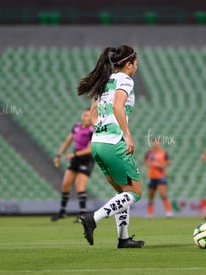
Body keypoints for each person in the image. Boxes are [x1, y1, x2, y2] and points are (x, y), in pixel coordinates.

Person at [77, 45, 144, 248]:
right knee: (134, 193)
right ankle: (93, 218)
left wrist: (102, 128)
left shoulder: (106, 81)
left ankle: (123, 239)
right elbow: (117, 106)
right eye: (136, 62)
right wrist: (128, 135)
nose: (137, 66)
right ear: (129, 64)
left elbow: (92, 114)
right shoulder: (125, 80)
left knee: (122, 192)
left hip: (98, 143)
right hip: (114, 143)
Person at [51, 108, 94, 222]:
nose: (86, 118)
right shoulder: (77, 127)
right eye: (84, 115)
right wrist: (59, 155)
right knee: (65, 184)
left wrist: (74, 154)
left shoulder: (92, 130)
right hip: (76, 158)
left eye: (88, 116)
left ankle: (83, 215)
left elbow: (90, 149)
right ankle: (63, 211)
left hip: (86, 159)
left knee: (80, 186)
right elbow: (67, 141)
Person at [143, 139, 172, 218]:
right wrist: (149, 163)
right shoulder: (149, 153)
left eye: (157, 142)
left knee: (163, 194)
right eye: (154, 142)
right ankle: (150, 214)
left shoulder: (164, 152)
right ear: (152, 143)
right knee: (151, 196)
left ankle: (168, 212)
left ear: (160, 143)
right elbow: (144, 162)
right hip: (151, 177)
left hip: (161, 176)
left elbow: (169, 162)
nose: (156, 144)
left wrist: (161, 165)